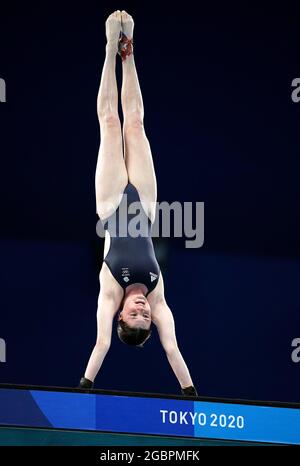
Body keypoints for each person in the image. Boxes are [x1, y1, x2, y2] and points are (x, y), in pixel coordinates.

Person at [78, 10, 197, 397]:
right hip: (145, 205)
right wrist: (190, 392)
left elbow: (101, 346)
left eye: (136, 315)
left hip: (111, 203)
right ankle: (128, 53)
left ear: (120, 316)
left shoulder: (109, 292)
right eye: (147, 317)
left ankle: (110, 46)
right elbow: (172, 348)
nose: (144, 310)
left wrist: (85, 385)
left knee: (110, 122)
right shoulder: (157, 294)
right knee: (136, 124)